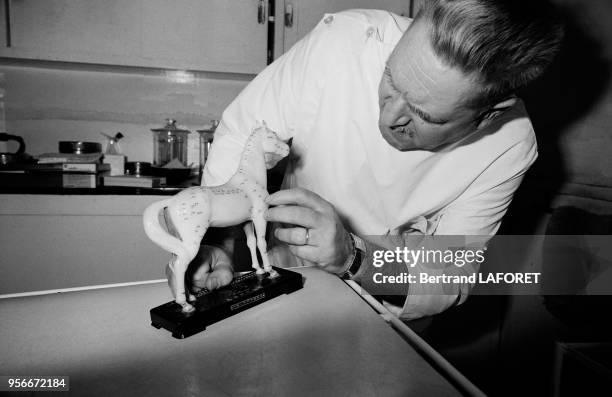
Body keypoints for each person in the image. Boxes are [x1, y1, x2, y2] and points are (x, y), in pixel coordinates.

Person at [181, 0, 564, 319]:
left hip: (382, 314)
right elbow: (243, 133)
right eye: (390, 79)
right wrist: (219, 239)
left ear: (491, 114)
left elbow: (449, 278)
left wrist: (353, 257)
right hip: (284, 275)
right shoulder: (347, 39)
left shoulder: (509, 146)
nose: (388, 116)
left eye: (424, 116)